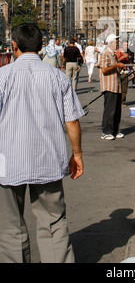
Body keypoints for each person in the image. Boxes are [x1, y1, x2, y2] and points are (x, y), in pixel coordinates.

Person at [0, 23, 84, 263]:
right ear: (40, 47)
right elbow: (72, 123)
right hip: (48, 161)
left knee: (10, 227)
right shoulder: (57, 77)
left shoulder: (2, 76)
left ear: (13, 46)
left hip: (7, 163)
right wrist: (76, 155)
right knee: (53, 223)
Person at [99, 34, 126, 140]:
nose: (118, 43)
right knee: (109, 110)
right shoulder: (105, 53)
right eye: (116, 41)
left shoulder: (114, 55)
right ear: (111, 43)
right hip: (109, 86)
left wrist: (118, 66)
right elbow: (104, 69)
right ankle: (106, 131)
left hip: (116, 85)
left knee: (117, 110)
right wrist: (117, 65)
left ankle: (114, 130)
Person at [116, 39, 134, 107]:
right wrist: (123, 56)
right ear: (121, 45)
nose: (126, 46)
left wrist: (132, 72)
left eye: (127, 45)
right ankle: (117, 101)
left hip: (125, 72)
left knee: (124, 88)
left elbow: (129, 63)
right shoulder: (118, 51)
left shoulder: (127, 52)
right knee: (118, 88)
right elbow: (115, 60)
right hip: (118, 72)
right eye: (124, 45)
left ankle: (122, 101)